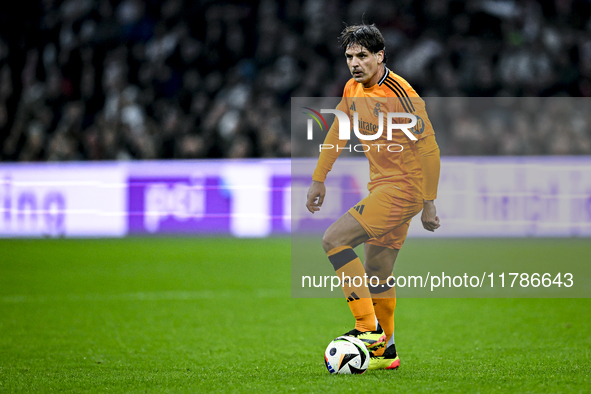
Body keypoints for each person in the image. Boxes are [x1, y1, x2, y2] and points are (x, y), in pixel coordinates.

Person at [305, 23, 441, 370]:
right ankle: (386, 353)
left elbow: (429, 150)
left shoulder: (401, 93)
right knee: (378, 270)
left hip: (404, 188)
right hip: (383, 186)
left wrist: (429, 201)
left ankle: (368, 330)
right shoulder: (353, 88)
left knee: (334, 240)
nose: (354, 62)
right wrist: (319, 179)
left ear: (380, 56)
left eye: (362, 56)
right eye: (350, 56)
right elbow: (337, 131)